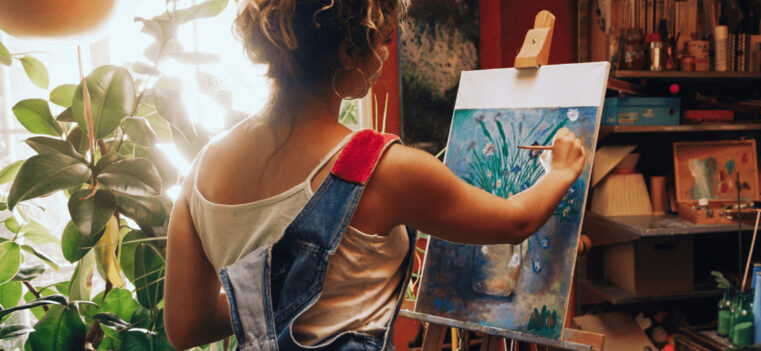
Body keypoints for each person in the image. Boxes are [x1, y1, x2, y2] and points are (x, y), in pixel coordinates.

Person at [162, 0, 587, 350]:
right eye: (383, 43)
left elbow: (186, 327)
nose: (384, 57)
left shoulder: (201, 170)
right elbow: (515, 222)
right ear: (348, 53)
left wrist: (276, 298)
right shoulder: (382, 168)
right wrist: (561, 169)